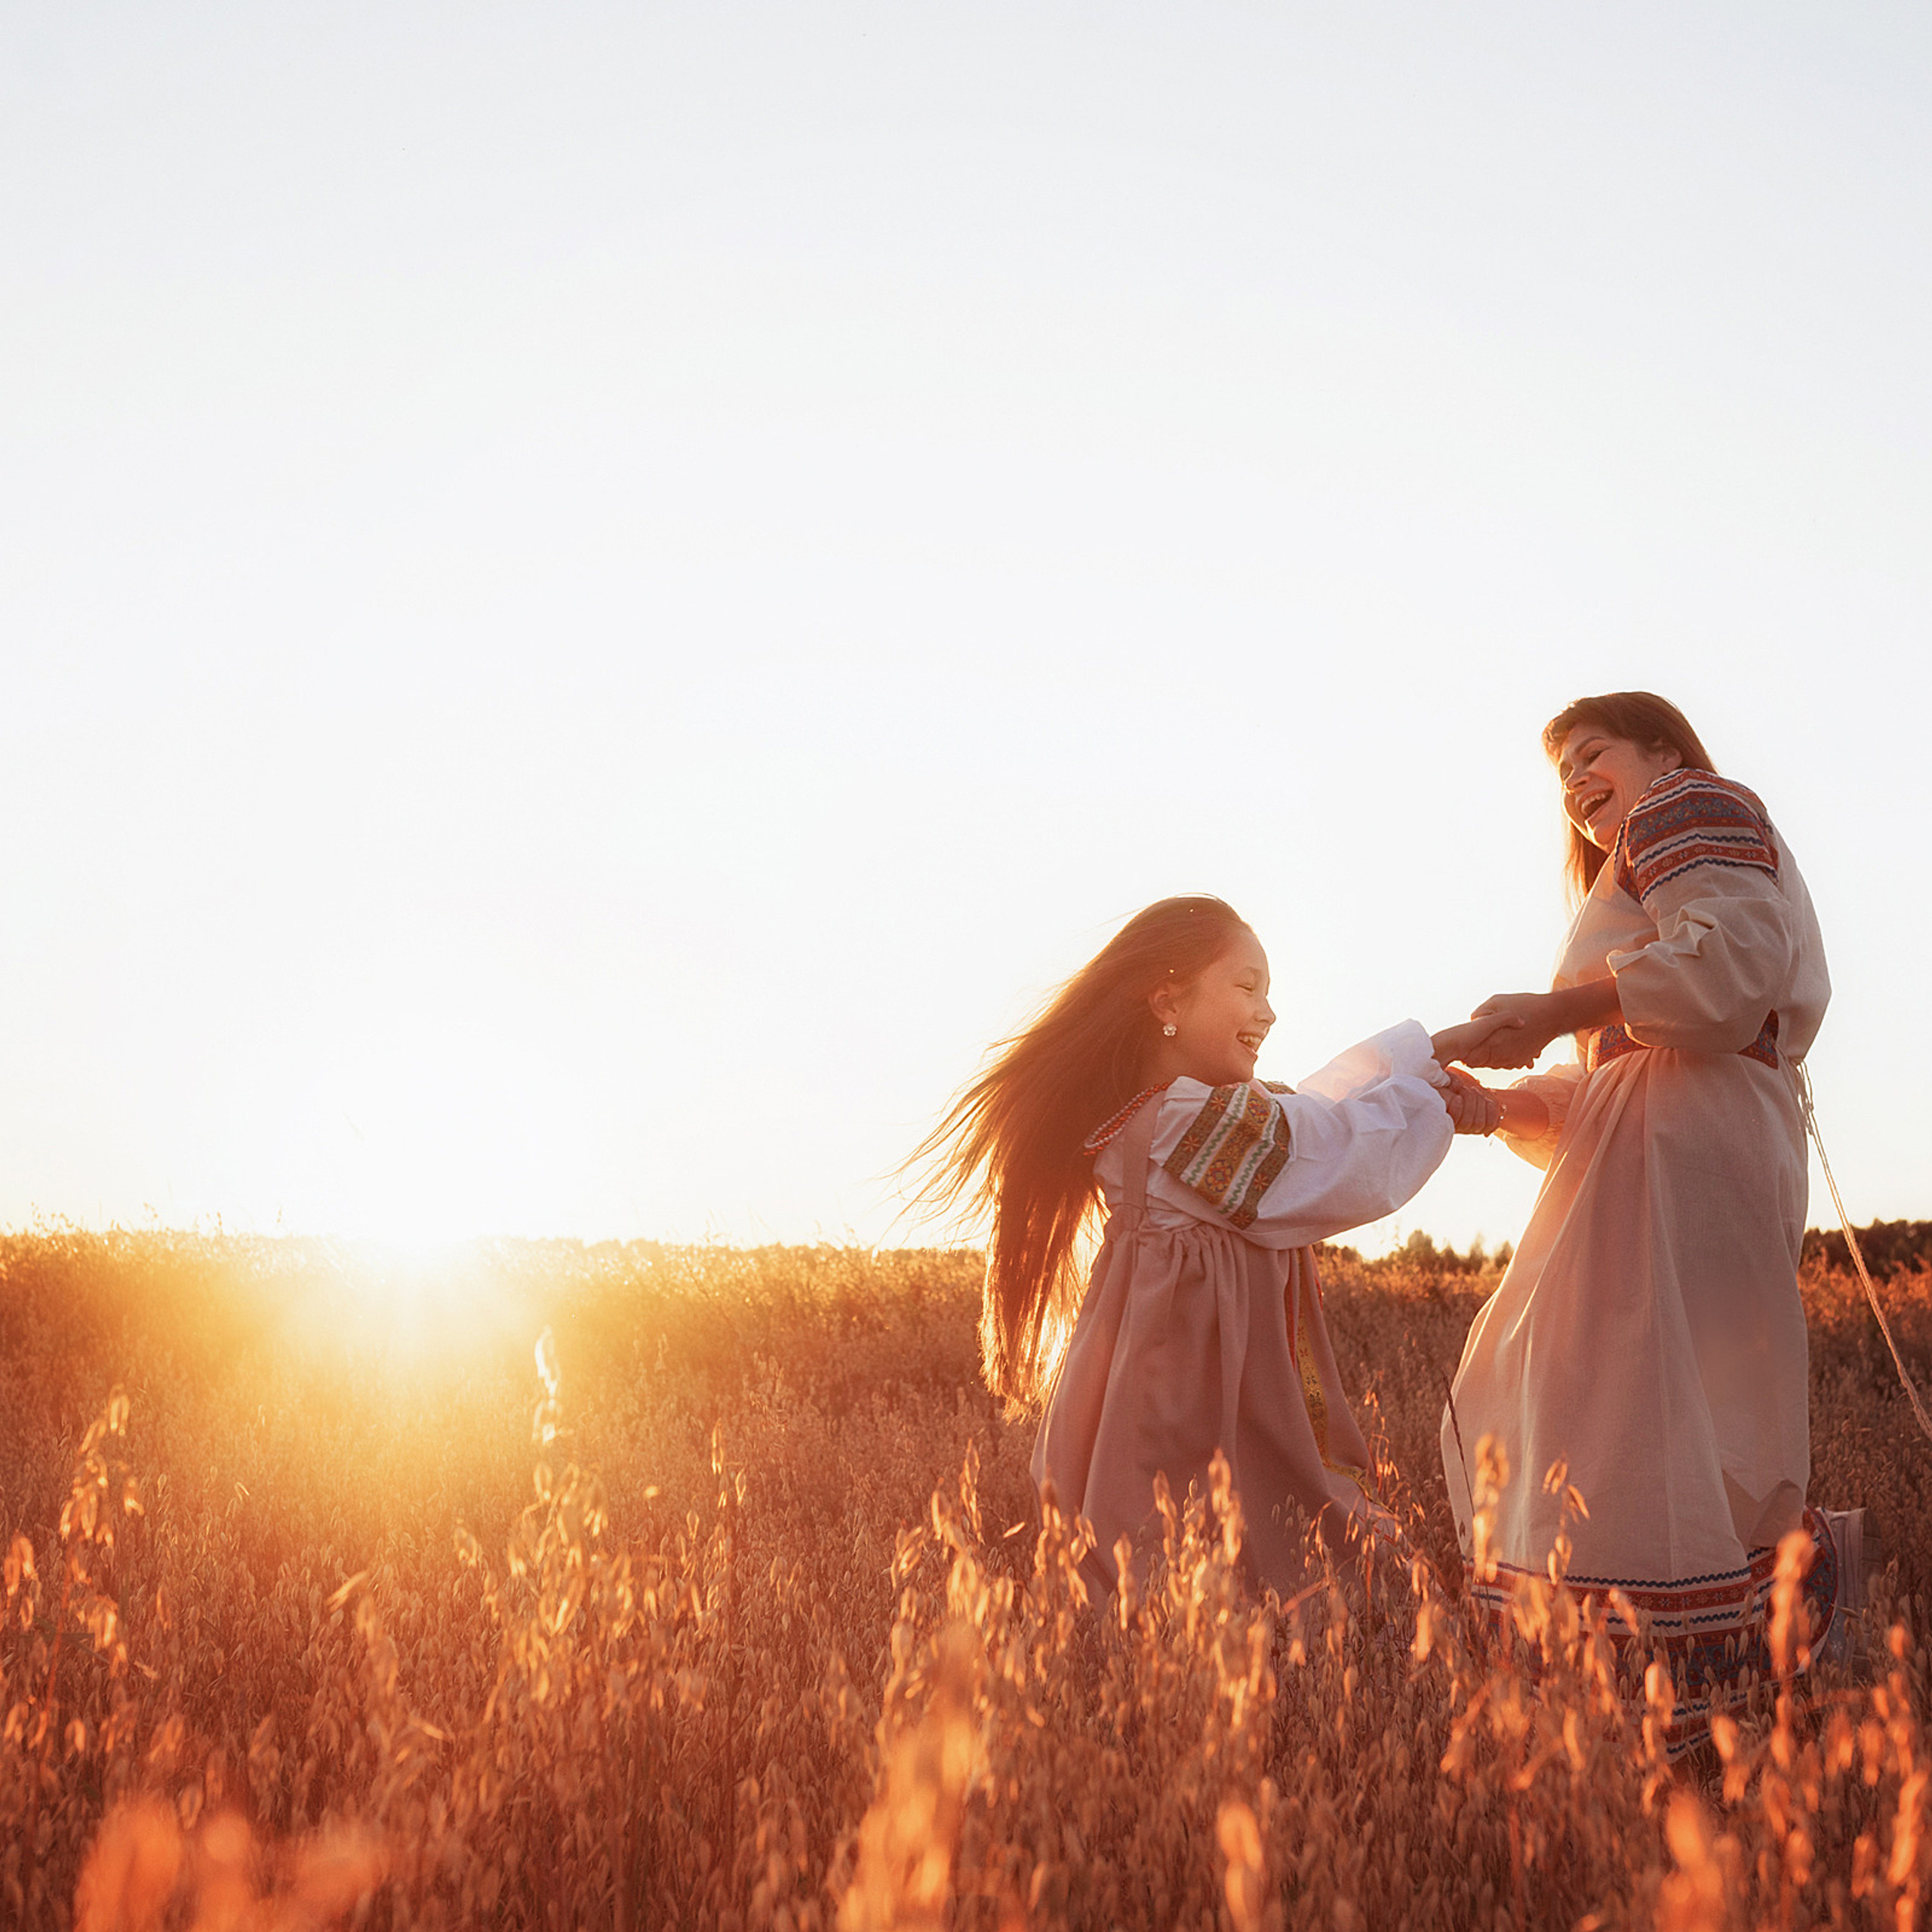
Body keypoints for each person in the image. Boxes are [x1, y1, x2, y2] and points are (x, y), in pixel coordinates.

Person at [1445, 692, 1867, 1730]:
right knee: (1676, 1411)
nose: (1576, 783)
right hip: (1677, 1137)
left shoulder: (1684, 802)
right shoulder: (1652, 843)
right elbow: (1621, 1083)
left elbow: (1727, 973)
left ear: (1663, 749)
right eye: (1560, 775)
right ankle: (1723, 1678)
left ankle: (1669, 1689)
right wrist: (1497, 1105)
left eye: (1591, 754)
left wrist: (1554, 1009)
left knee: (1625, 1402)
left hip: (1689, 1144)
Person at [915, 894, 1504, 1600]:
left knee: (1204, 1568)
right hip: (1190, 1403)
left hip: (1197, 1392)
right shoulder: (1184, 1123)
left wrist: (1430, 1058)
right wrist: (1432, 1097)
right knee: (1237, 1562)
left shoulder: (1188, 1117)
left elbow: (1311, 1115)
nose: (1269, 1012)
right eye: (1247, 987)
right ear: (1168, 1000)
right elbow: (1333, 1153)